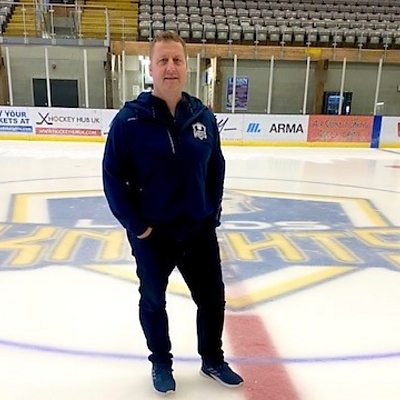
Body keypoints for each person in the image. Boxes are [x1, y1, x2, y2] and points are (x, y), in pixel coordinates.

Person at [102, 31, 243, 395]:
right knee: (153, 300)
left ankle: (212, 359)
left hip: (197, 230)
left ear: (186, 67)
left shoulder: (202, 116)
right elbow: (112, 177)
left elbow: (216, 167)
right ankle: (161, 362)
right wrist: (137, 226)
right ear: (151, 68)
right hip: (153, 234)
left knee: (212, 299)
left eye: (177, 60)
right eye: (163, 60)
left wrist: (211, 213)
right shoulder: (129, 121)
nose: (170, 67)